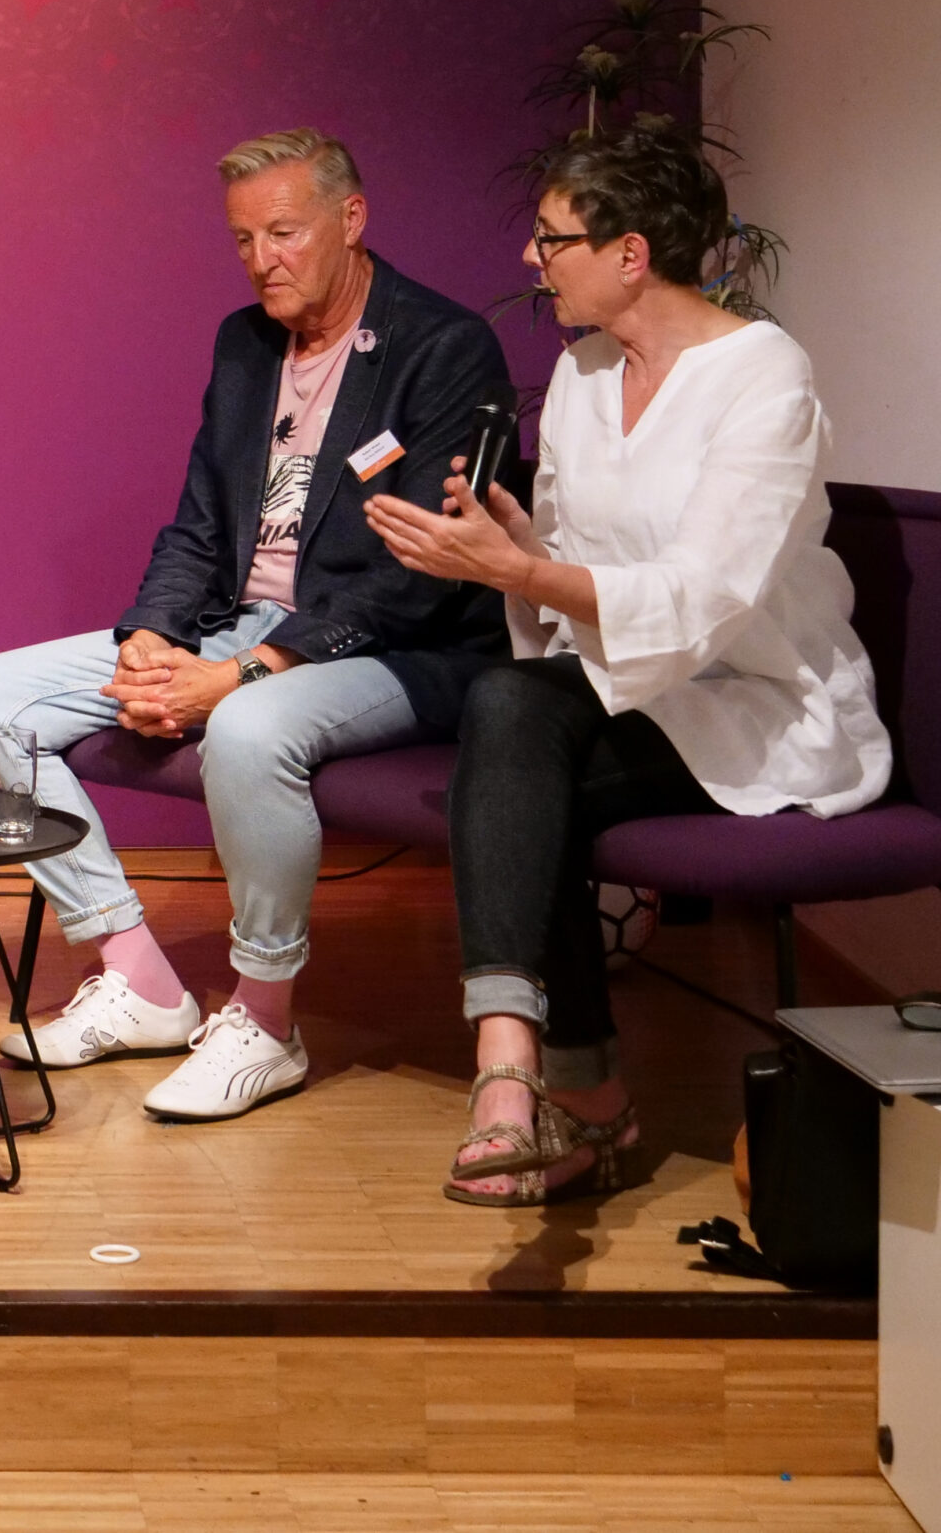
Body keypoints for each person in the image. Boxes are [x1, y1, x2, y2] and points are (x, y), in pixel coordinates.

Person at [366, 126, 890, 1205]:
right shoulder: (581, 373)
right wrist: (513, 549)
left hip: (755, 699)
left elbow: (702, 598)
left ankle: (563, 1095)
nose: (529, 258)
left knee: (516, 737)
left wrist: (519, 569)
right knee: (515, 725)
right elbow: (573, 576)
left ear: (631, 253)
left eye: (552, 237)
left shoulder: (764, 379)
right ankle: (524, 1082)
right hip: (622, 686)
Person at [0, 128, 511, 1121]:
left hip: (397, 648)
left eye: (283, 233)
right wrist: (151, 639)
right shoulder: (243, 343)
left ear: (351, 219)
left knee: (249, 731)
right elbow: (200, 519)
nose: (261, 261)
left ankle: (262, 1019)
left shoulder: (443, 347)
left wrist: (250, 673)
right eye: (243, 240)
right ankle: (138, 978)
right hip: (234, 625)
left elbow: (416, 575)